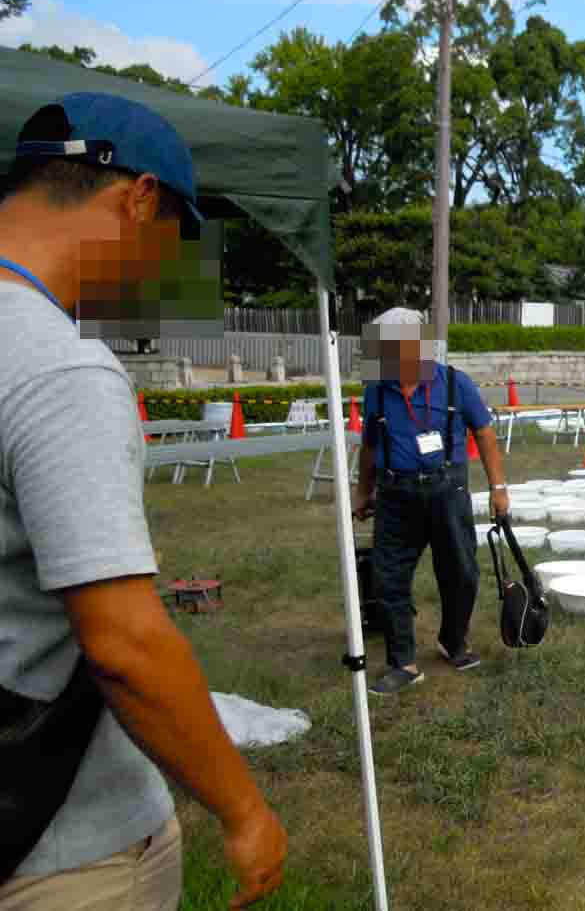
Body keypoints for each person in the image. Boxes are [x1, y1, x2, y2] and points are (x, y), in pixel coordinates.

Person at [0, 93, 286, 908]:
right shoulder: (60, 366)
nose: (162, 277)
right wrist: (244, 809)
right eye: (173, 245)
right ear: (139, 200)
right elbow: (124, 641)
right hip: (67, 849)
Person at [354, 307, 512, 696]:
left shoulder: (456, 383)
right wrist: (364, 490)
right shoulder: (377, 389)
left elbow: (485, 433)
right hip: (395, 494)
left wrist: (498, 488)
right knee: (388, 576)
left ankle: (453, 641)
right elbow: (370, 444)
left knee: (461, 572)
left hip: (447, 491)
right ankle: (402, 663)